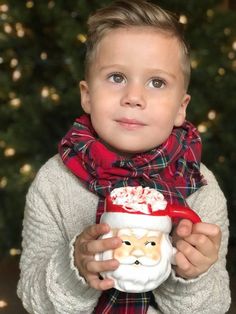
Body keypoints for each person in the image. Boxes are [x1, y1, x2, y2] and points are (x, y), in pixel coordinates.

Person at [17, 1, 231, 313]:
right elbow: (34, 300)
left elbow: (214, 306)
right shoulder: (55, 182)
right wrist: (74, 270)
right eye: (117, 77)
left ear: (181, 108)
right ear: (87, 95)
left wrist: (192, 274)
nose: (133, 97)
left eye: (156, 82)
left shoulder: (200, 186)